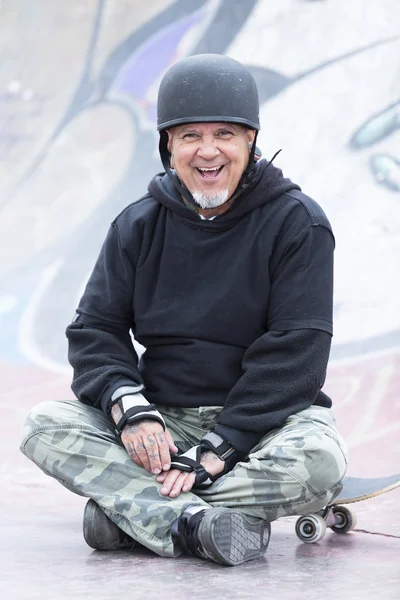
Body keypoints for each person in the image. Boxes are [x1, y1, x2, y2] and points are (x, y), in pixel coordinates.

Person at [20, 54, 347, 567]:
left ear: (250, 142)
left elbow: (297, 354)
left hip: (263, 423)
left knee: (320, 463)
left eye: (225, 134)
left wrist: (221, 448)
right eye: (190, 135)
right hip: (164, 422)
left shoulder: (297, 224)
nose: (208, 151)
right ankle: (194, 524)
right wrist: (129, 409)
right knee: (42, 426)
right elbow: (95, 330)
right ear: (168, 145)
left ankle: (130, 513)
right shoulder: (138, 225)